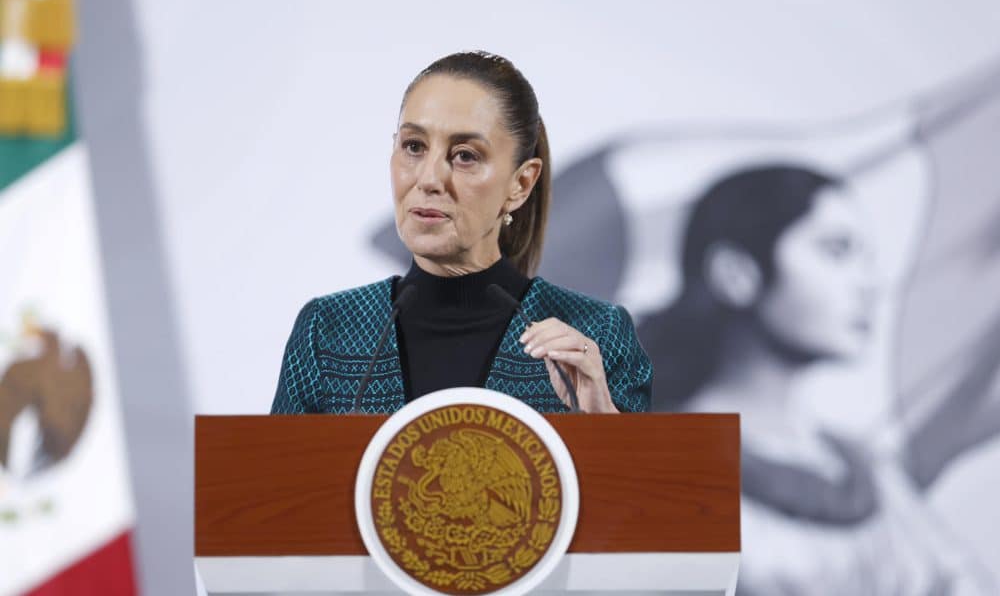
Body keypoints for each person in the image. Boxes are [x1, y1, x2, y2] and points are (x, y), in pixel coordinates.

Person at [638, 164, 996, 595]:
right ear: (736, 273)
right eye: (836, 251)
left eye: (866, 258)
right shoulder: (651, 474)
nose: (867, 283)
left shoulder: (875, 478)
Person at [271, 51, 651, 415]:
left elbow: (646, 481)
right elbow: (273, 480)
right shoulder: (328, 330)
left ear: (520, 183)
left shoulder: (595, 333)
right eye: (414, 146)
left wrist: (602, 419)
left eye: (465, 155)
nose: (429, 178)